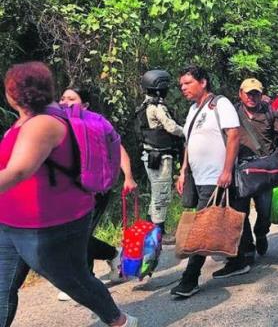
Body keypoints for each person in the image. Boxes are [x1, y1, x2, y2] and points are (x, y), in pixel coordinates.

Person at [0, 62, 137, 326]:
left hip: (49, 223)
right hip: (11, 221)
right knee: (2, 286)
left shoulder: (43, 124)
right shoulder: (25, 119)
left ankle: (119, 321)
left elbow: (18, 171)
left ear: (13, 91)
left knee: (74, 281)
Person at [172, 65, 254, 298]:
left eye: (187, 83)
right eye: (181, 85)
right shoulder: (192, 110)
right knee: (217, 219)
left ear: (203, 82)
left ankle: (190, 279)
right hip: (197, 177)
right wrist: (184, 170)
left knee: (202, 226)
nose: (183, 88)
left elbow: (234, 135)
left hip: (214, 176)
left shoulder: (220, 104)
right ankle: (239, 259)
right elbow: (189, 142)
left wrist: (227, 170)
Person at [58, 86, 137, 300]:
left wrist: (128, 176)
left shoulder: (97, 124)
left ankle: (86, 279)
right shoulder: (58, 124)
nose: (65, 102)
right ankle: (113, 255)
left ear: (85, 104)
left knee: (80, 235)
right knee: (74, 235)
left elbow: (118, 149)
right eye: (63, 98)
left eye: (71, 99)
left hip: (97, 190)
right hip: (70, 191)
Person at [234, 78, 278, 257]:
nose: (252, 97)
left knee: (264, 210)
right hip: (241, 169)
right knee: (241, 211)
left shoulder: (269, 113)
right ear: (240, 94)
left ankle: (261, 232)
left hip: (264, 169)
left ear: (261, 94)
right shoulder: (233, 113)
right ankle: (247, 248)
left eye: (255, 93)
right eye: (248, 93)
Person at [136, 70, 184, 245]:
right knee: (161, 194)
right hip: (160, 156)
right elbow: (171, 127)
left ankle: (151, 230)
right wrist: (187, 131)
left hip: (150, 155)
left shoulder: (144, 105)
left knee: (157, 193)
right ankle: (159, 233)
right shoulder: (157, 107)